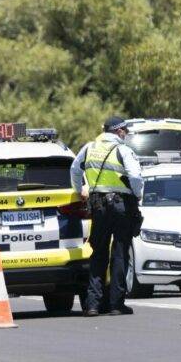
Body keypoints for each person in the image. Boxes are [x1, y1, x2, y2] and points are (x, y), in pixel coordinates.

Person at [70, 116, 143, 317]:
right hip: (121, 206)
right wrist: (137, 194)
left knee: (98, 253)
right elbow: (135, 177)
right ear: (119, 131)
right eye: (125, 132)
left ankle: (93, 304)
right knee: (119, 253)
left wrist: (79, 190)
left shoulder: (89, 148)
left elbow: (75, 169)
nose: (125, 135)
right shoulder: (123, 150)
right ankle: (116, 304)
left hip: (98, 205)